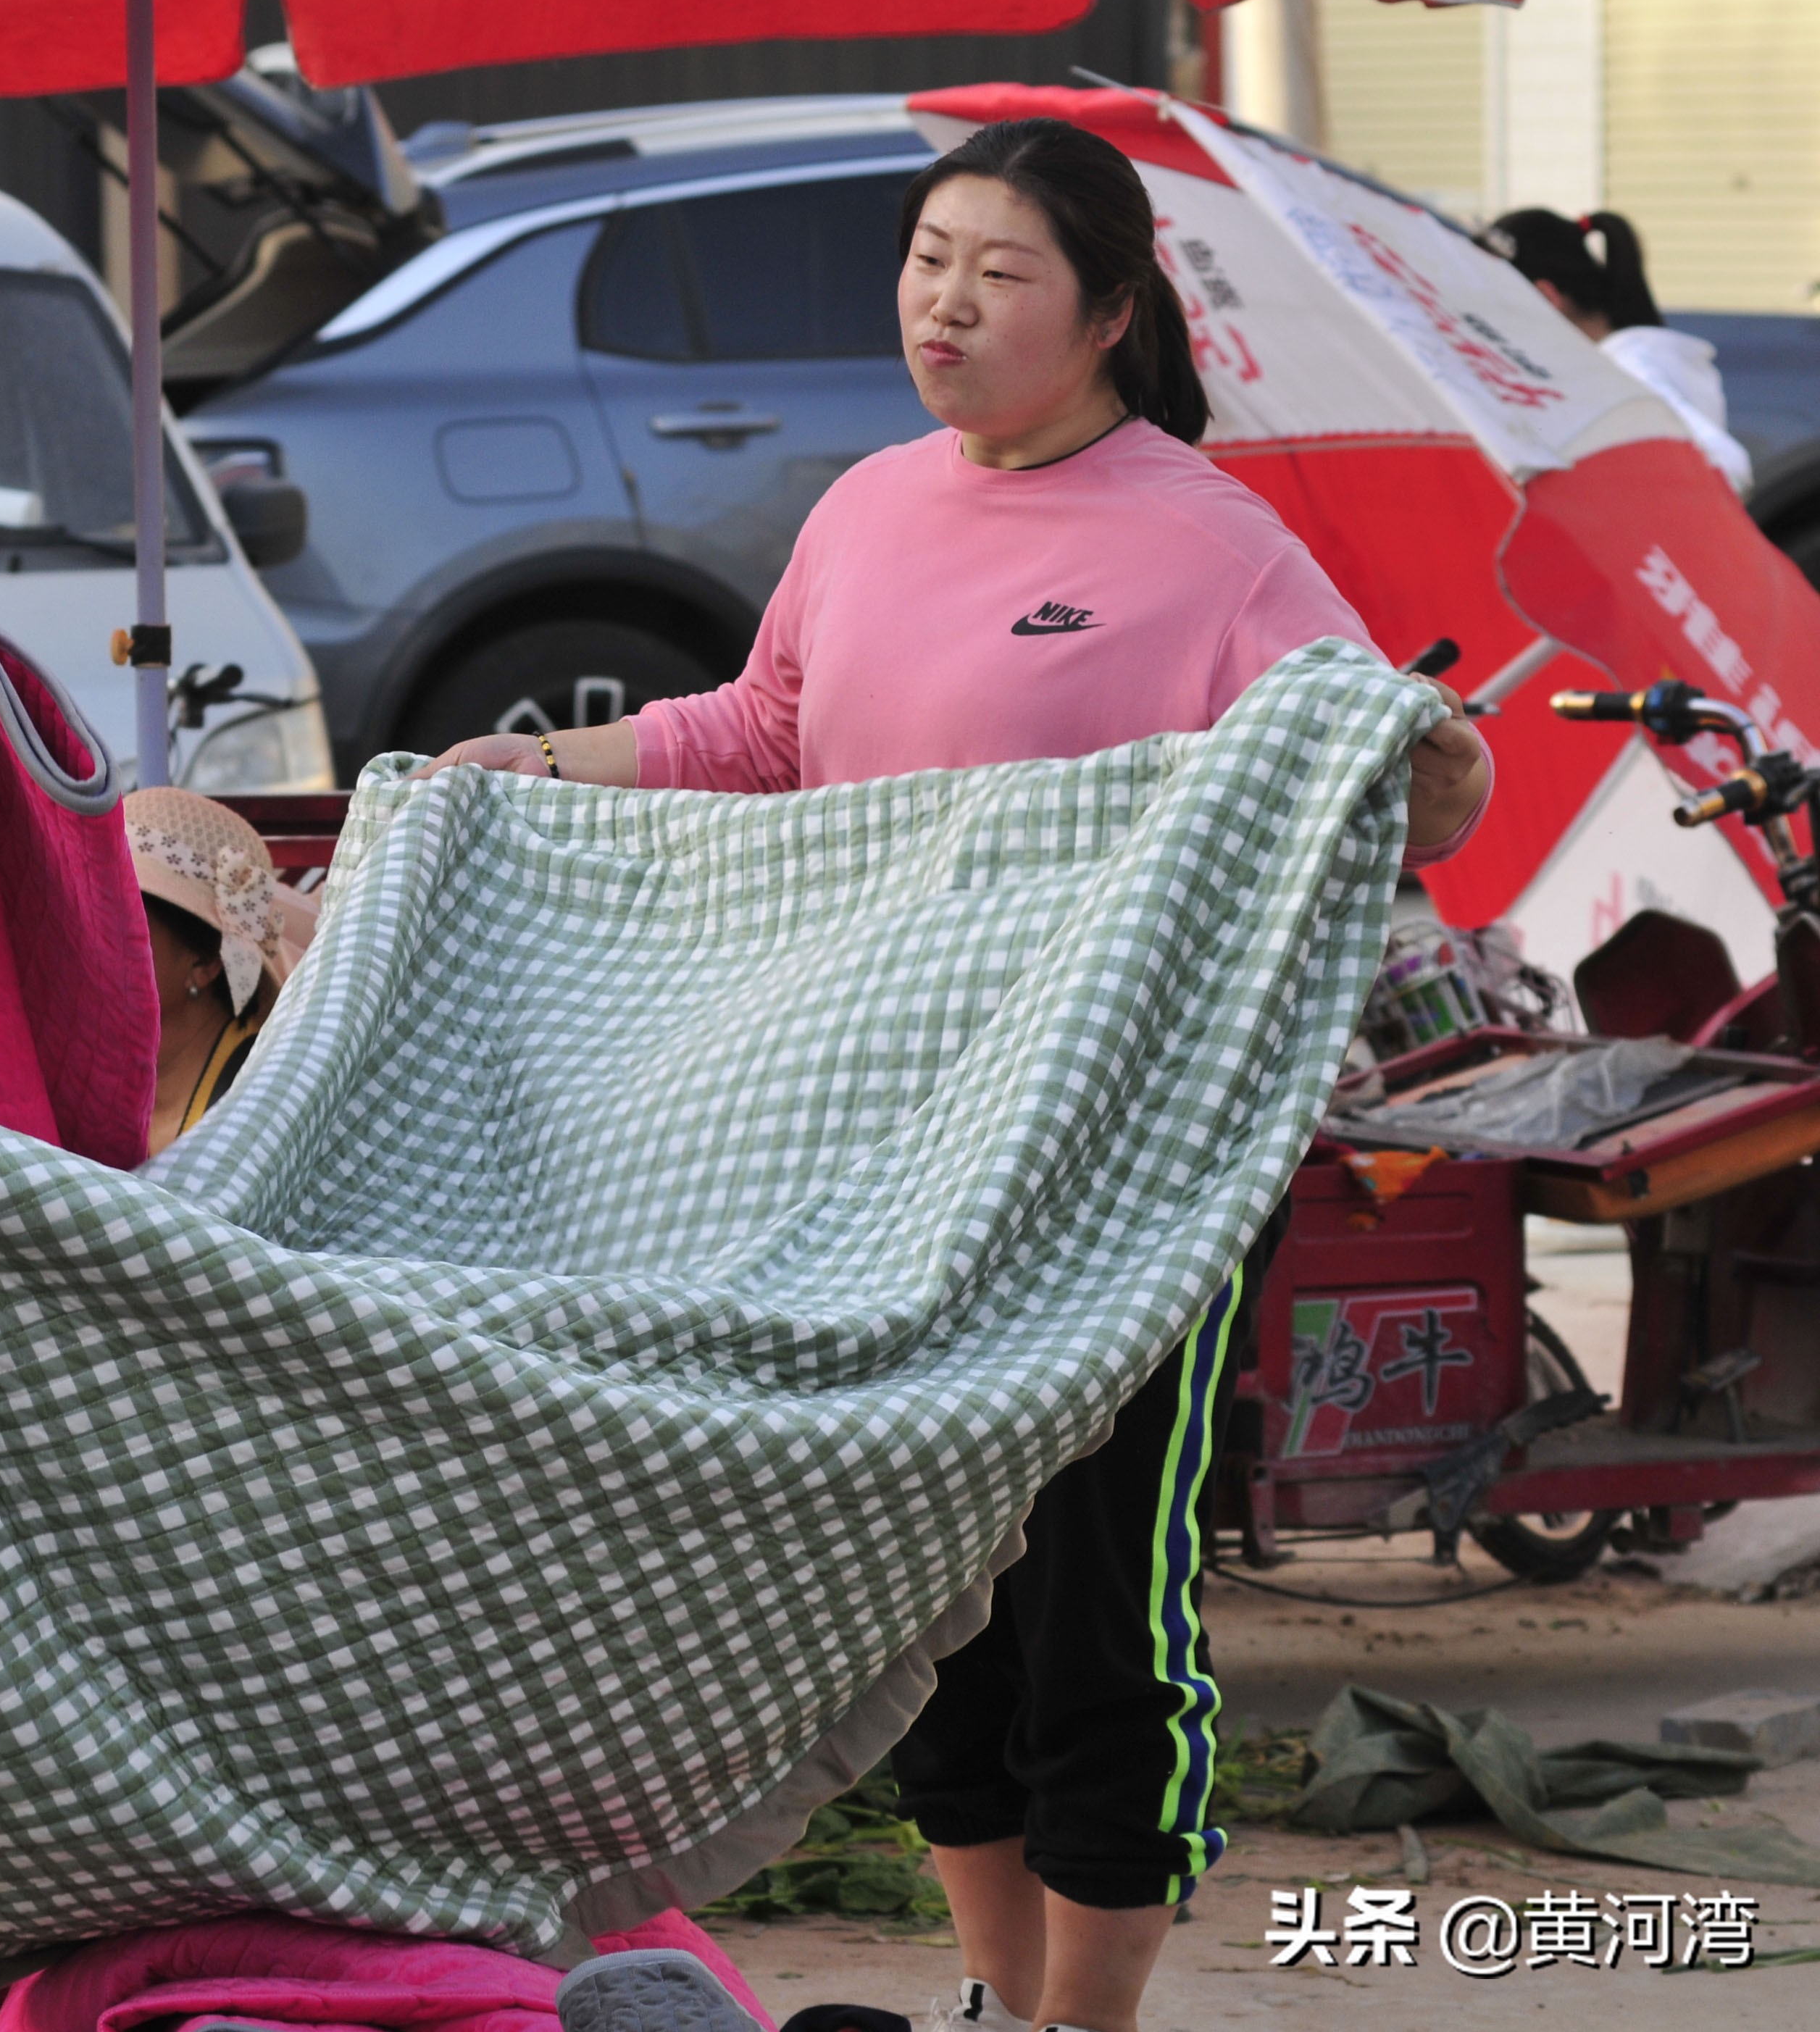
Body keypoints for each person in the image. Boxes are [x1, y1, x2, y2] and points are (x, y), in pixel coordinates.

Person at [423, 118, 1488, 2032]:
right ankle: (995, 1999)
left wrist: (1445, 769)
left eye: (1000, 273)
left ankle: (1092, 2017)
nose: (948, 303)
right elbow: (763, 731)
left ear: (1107, 321)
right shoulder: (870, 506)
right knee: (927, 1601)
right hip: (886, 1153)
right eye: (930, 259)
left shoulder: (1216, 549)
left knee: (1099, 1601)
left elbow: (1381, 764)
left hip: (1123, 1162)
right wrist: (538, 771)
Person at [1487, 207, 1753, 496]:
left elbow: (1727, 467)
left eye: (1496, 307)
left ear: (1545, 296)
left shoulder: (1631, 367)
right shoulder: (1626, 358)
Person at [127, 786, 288, 1154]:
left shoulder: (255, 1114)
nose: (87, 943)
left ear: (205, 963)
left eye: (121, 923)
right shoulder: (86, 1072)